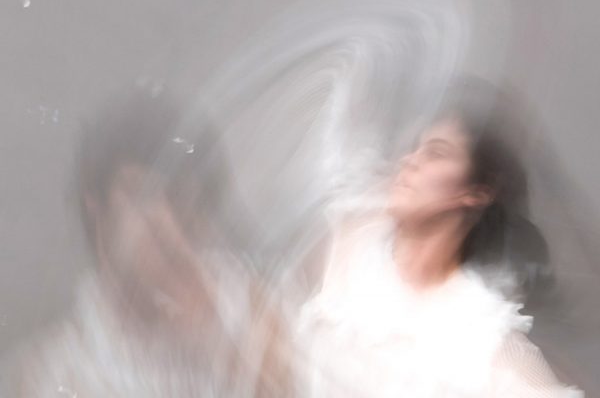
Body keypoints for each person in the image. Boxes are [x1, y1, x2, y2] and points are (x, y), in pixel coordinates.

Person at [294, 78, 584, 397]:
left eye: (435, 153)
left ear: (476, 192)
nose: (410, 160)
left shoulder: (483, 341)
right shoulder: (346, 249)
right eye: (414, 147)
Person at [11, 87, 290, 397]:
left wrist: (220, 338)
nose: (163, 224)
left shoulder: (249, 305)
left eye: (178, 197)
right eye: (141, 194)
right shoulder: (56, 369)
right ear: (97, 207)